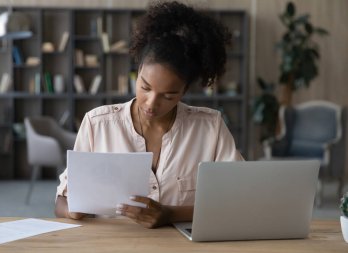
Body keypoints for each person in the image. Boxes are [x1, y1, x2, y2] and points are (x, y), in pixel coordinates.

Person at [55, 1, 244, 228]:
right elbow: (61, 201)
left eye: (169, 95)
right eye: (145, 87)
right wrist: (72, 211)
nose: (151, 103)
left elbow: (237, 200)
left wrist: (170, 214)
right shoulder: (98, 124)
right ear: (137, 71)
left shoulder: (210, 127)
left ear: (185, 91)